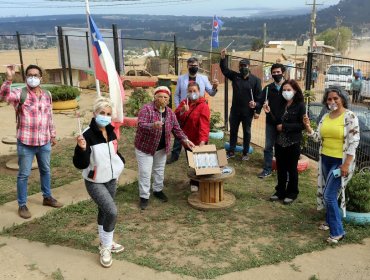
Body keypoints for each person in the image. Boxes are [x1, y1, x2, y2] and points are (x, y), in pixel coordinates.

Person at [0, 64, 63, 219]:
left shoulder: (47, 94)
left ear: (41, 78)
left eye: (36, 75)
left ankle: (47, 197)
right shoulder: (19, 94)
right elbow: (3, 96)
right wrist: (8, 78)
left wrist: (52, 135)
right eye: (30, 75)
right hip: (26, 143)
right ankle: (22, 205)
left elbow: (49, 116)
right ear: (26, 77)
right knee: (23, 175)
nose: (33, 78)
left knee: (46, 171)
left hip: (44, 142)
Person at [303, 87, 360, 244]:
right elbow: (317, 137)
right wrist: (308, 127)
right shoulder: (326, 117)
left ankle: (338, 232)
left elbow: (354, 142)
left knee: (328, 195)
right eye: (329, 99)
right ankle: (329, 221)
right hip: (325, 160)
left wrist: (346, 164)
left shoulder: (350, 116)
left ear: (342, 98)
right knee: (330, 193)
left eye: (336, 98)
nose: (332, 101)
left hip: (340, 162)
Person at [73, 97, 125, 268]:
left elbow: (114, 152)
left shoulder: (110, 130)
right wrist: (81, 149)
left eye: (108, 114)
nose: (105, 116)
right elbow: (80, 164)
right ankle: (105, 247)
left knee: (104, 210)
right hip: (95, 181)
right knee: (112, 211)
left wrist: (120, 163)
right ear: (95, 114)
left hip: (111, 178)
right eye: (102, 113)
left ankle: (106, 242)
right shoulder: (87, 135)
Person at [135, 86, 195, 210]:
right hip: (145, 148)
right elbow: (141, 125)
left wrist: (186, 140)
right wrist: (153, 125)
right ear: (155, 98)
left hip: (161, 148)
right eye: (160, 96)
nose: (162, 99)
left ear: (168, 100)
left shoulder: (170, 113)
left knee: (159, 170)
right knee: (145, 173)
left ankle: (158, 190)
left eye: (165, 97)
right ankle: (144, 197)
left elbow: (177, 129)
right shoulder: (147, 109)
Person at [167, 57, 218, 164]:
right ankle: (175, 154)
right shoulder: (181, 78)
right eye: (191, 66)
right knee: (180, 133)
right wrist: (180, 109)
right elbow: (176, 95)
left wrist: (214, 87)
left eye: (195, 65)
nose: (193, 67)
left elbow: (212, 93)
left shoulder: (203, 78)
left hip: (198, 110)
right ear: (187, 66)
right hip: (185, 109)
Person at [264, 80, 305, 204]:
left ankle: (292, 193)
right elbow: (277, 123)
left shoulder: (300, 105)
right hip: (280, 142)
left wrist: (285, 127)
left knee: (292, 169)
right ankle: (280, 191)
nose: (286, 92)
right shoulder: (280, 104)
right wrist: (269, 112)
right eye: (284, 90)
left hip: (293, 142)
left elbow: (302, 125)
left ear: (295, 91)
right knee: (281, 168)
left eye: (289, 90)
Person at [220, 48, 262, 160]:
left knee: (247, 132)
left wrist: (257, 110)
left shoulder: (256, 80)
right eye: (241, 66)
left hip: (247, 112)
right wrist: (223, 58)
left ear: (249, 67)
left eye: (245, 66)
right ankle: (231, 151)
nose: (243, 68)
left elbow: (259, 98)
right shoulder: (235, 76)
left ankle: (245, 153)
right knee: (233, 131)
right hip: (235, 111)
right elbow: (224, 70)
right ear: (239, 67)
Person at [175, 82, 210, 191]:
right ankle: (194, 182)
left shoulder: (203, 106)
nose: (192, 93)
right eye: (190, 91)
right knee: (192, 162)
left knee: (202, 162)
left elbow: (204, 125)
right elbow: (174, 117)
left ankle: (204, 182)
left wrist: (203, 141)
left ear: (199, 92)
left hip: (199, 139)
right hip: (187, 140)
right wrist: (182, 111)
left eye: (194, 91)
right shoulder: (184, 103)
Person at [257, 63, 287, 178]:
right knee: (268, 146)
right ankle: (267, 169)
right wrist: (256, 104)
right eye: (274, 73)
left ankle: (284, 171)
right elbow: (260, 100)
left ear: (283, 72)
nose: (276, 74)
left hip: (285, 123)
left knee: (283, 147)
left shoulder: (288, 87)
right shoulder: (269, 88)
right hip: (270, 122)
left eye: (278, 72)